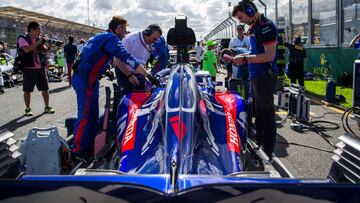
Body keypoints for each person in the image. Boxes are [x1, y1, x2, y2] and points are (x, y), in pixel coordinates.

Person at [71, 16, 159, 158]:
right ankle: (77, 151)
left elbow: (93, 56)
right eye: (124, 30)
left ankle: (88, 146)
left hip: (86, 78)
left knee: (92, 114)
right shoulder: (111, 39)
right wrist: (148, 76)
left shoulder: (100, 36)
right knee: (86, 115)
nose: (124, 34)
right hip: (86, 80)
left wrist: (104, 71)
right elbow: (126, 57)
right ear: (118, 28)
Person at [230, 0, 278, 160]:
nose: (240, 21)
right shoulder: (255, 28)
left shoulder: (266, 27)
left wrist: (245, 57)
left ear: (251, 11)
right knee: (257, 112)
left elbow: (269, 55)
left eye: (241, 17)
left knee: (266, 114)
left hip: (264, 76)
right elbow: (254, 51)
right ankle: (259, 144)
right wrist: (241, 54)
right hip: (256, 75)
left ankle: (268, 151)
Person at [17, 21, 55, 116]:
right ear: (32, 30)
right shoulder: (22, 38)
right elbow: (26, 49)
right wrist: (38, 42)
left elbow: (45, 50)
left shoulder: (39, 39)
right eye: (39, 29)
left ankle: (47, 107)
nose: (40, 31)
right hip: (29, 68)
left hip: (40, 68)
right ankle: (28, 109)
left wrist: (49, 45)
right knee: (27, 90)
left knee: (45, 88)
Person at [115, 24, 162, 98]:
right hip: (125, 72)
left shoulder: (150, 43)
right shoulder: (130, 39)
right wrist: (129, 76)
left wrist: (149, 76)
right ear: (147, 32)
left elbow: (142, 61)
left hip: (139, 73)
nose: (154, 42)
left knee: (141, 98)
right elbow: (117, 60)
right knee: (128, 99)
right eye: (154, 39)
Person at [228, 24, 250, 99]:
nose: (239, 31)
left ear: (243, 30)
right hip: (235, 66)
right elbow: (229, 52)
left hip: (245, 66)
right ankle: (238, 98)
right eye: (238, 29)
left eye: (240, 29)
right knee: (237, 83)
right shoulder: (233, 40)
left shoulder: (247, 40)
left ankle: (246, 98)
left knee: (246, 83)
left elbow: (250, 51)